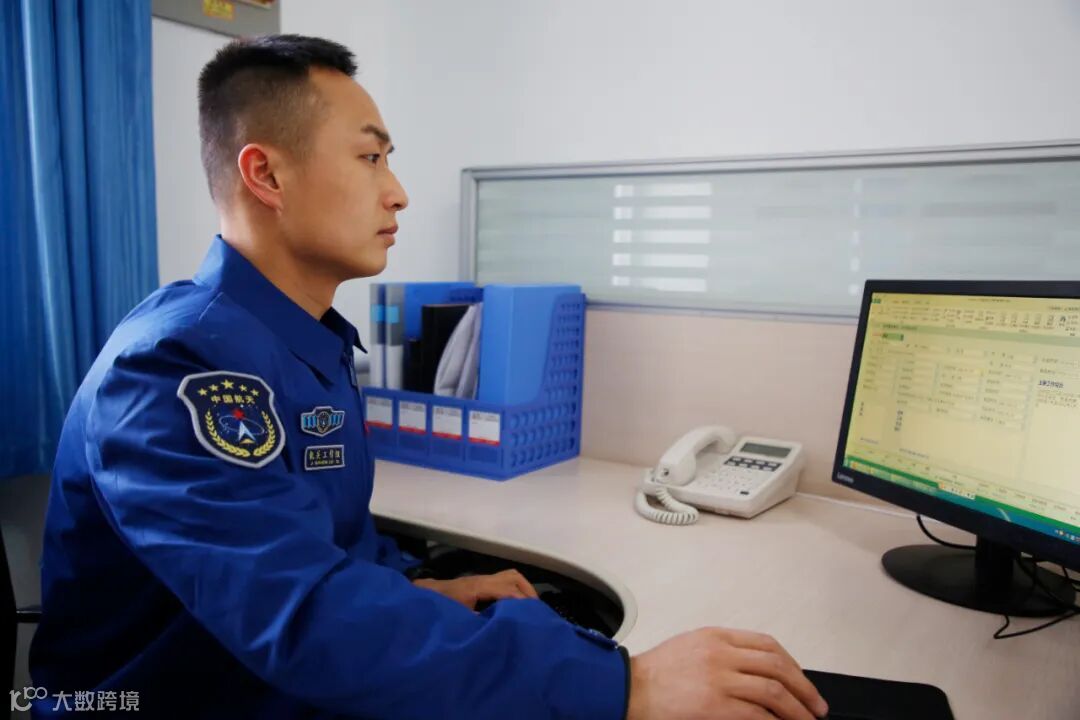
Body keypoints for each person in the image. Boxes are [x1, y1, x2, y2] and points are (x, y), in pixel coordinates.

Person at [30, 34, 828, 720]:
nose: (399, 192)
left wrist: (421, 592)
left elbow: (322, 550)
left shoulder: (302, 344)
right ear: (266, 175)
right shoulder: (175, 368)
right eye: (370, 157)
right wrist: (627, 686)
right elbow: (303, 615)